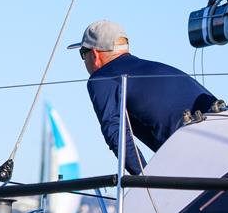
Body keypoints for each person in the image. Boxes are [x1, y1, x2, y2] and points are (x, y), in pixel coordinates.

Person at [68, 20, 217, 175]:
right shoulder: (160, 68)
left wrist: (144, 179)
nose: (84, 60)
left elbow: (116, 133)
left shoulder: (102, 77)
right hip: (225, 145)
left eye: (82, 54)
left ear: (94, 55)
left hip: (194, 157)